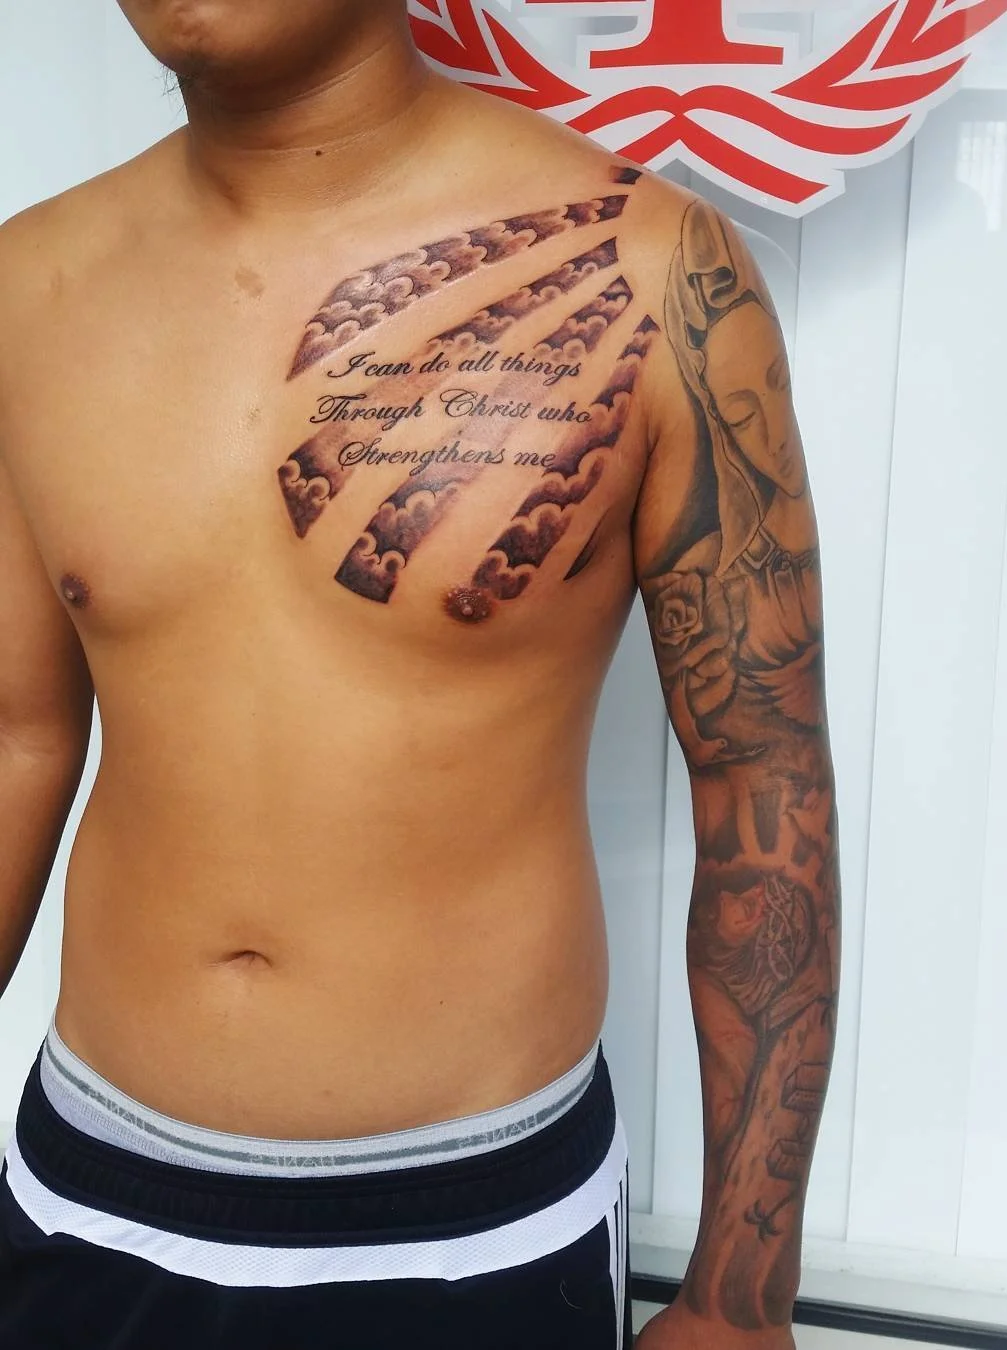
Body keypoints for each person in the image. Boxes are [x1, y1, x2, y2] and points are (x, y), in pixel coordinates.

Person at [0, 1, 841, 1346]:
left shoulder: (658, 273)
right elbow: (17, 739)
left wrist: (744, 1296)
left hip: (478, 1225)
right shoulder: (25, 289)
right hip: (94, 1197)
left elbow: (764, 776)